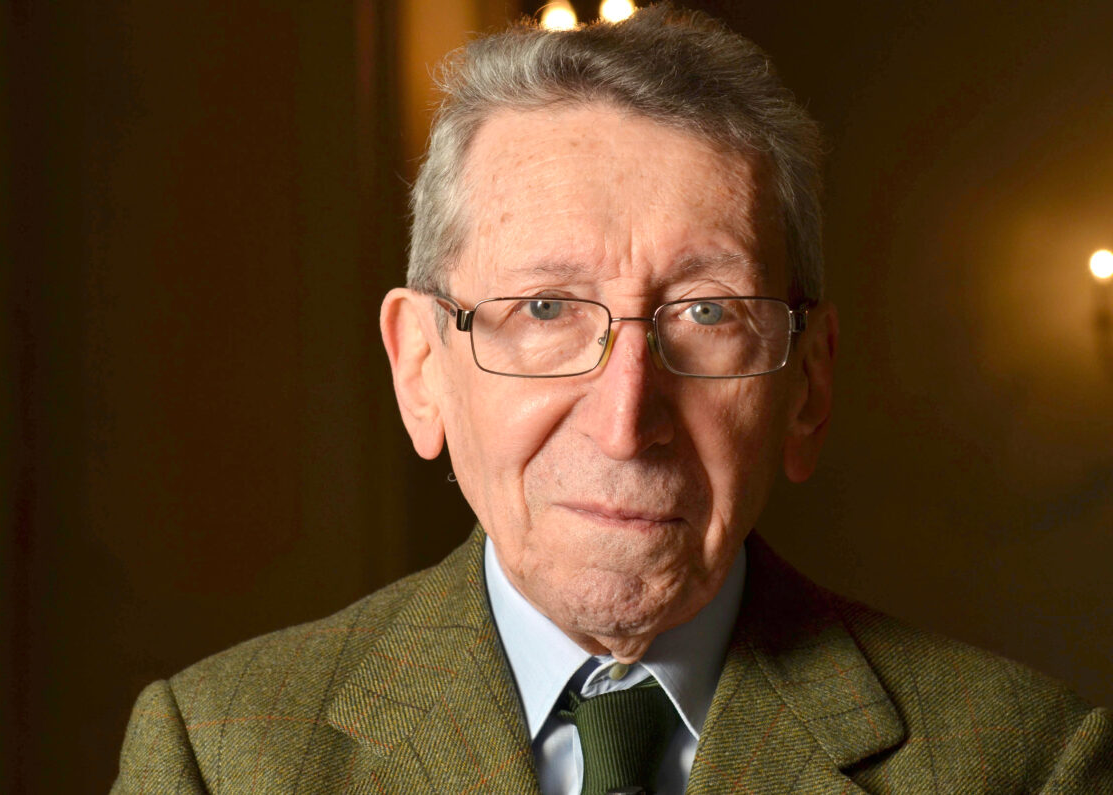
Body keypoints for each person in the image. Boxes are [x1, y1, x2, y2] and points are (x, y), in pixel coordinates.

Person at [111, 6, 1111, 793]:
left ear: (808, 384)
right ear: (420, 367)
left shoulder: (1025, 763)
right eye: (545, 308)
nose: (626, 419)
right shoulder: (218, 756)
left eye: (708, 313)